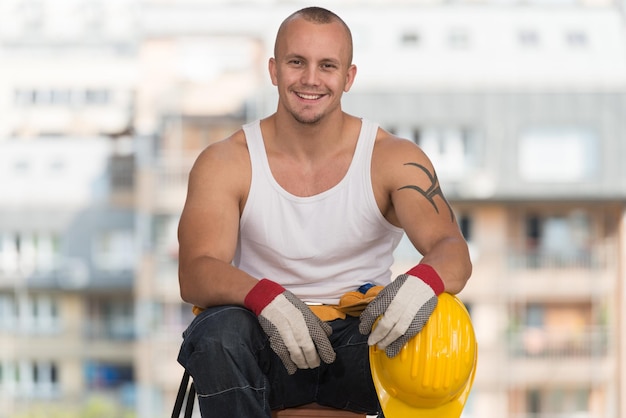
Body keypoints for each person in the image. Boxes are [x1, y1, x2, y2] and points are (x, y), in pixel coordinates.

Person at [176, 6, 472, 418]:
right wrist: (266, 297)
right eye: (297, 62)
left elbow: (451, 247)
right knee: (217, 333)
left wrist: (422, 282)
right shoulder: (227, 160)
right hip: (264, 341)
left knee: (441, 320)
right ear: (274, 69)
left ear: (348, 77)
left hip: (363, 343)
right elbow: (195, 272)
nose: (311, 79)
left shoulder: (393, 158)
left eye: (327, 65)